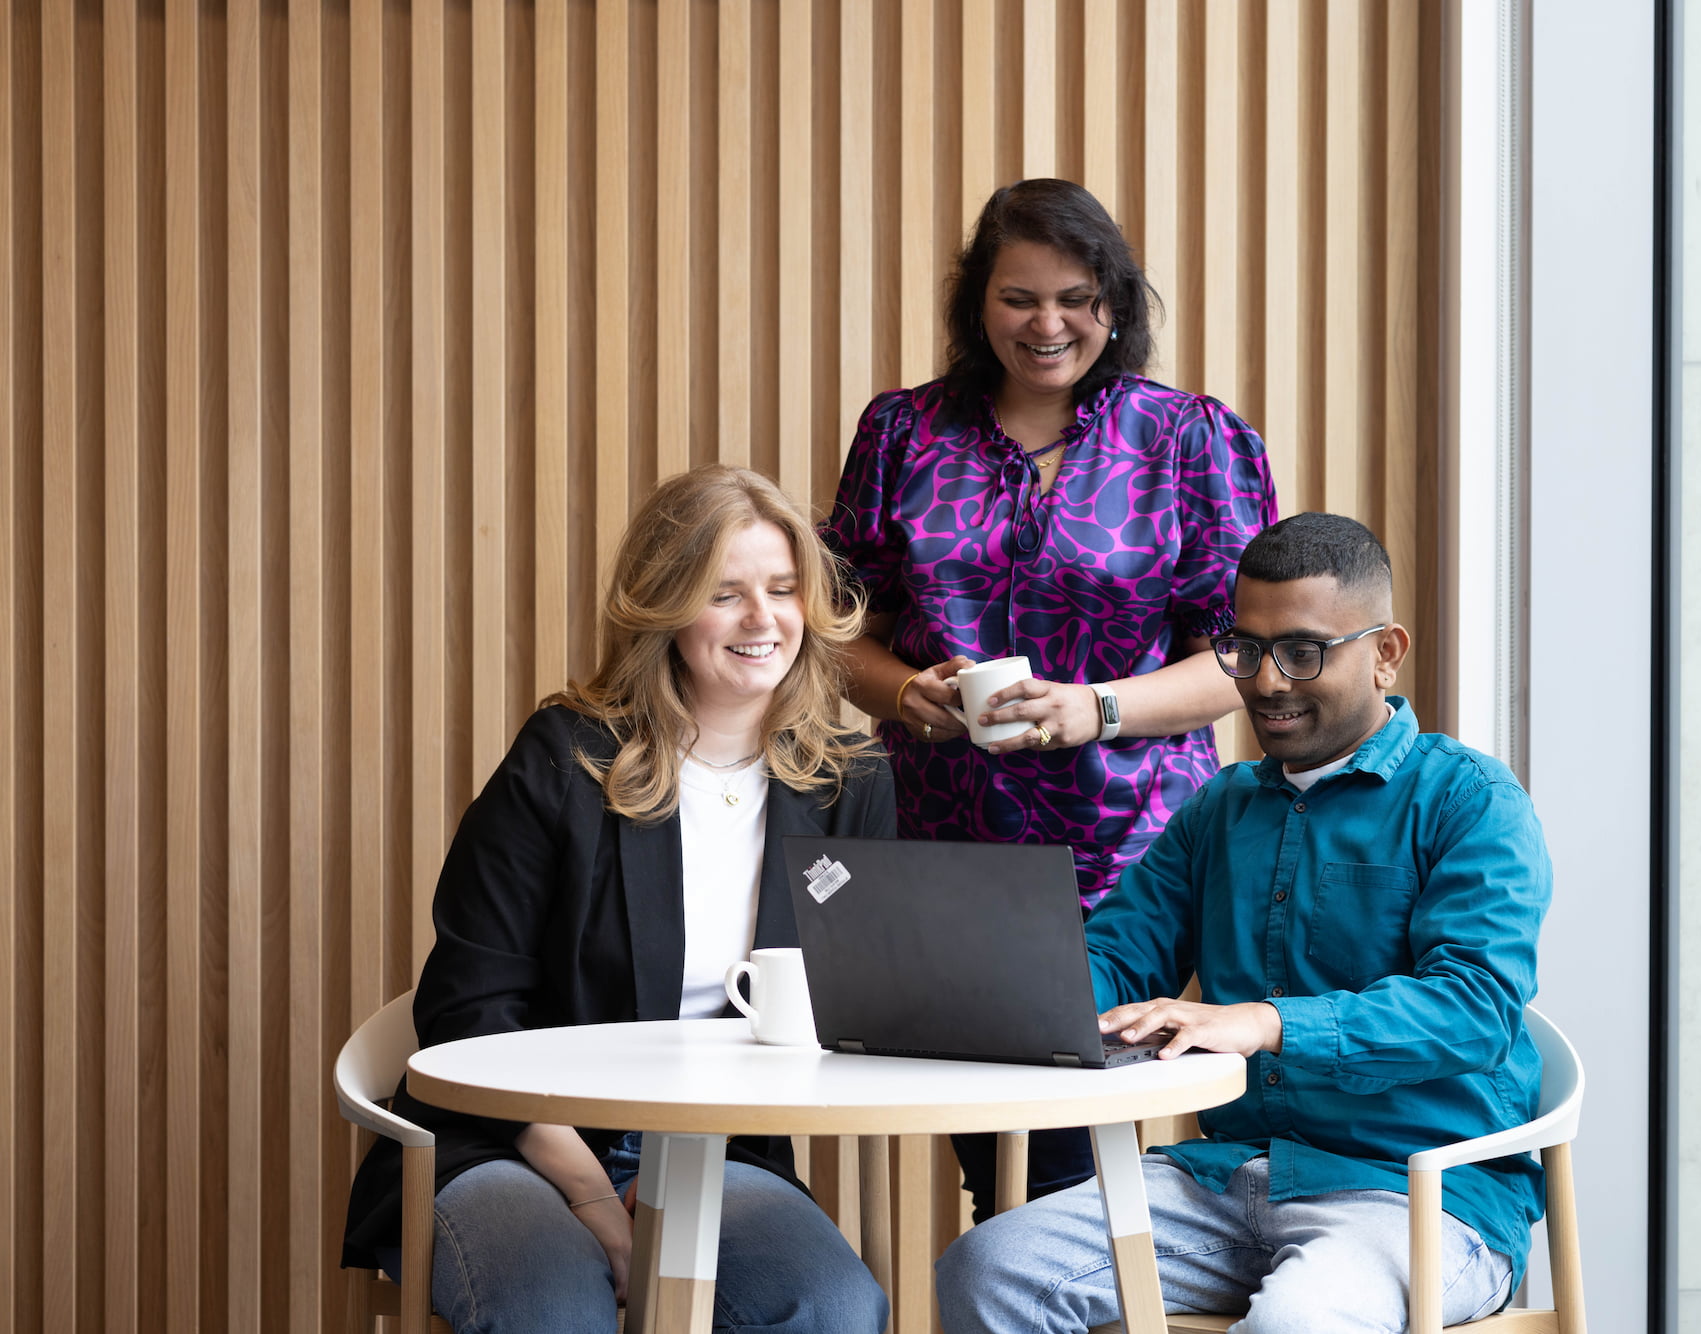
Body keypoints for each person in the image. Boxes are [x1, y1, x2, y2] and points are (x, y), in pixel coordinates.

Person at [934, 512, 1552, 1334]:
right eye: (1247, 650)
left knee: (1296, 1322)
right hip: (1224, 1179)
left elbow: (1473, 1009)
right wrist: (1002, 993)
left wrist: (1265, 1023)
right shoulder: (1220, 807)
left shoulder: (1470, 800)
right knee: (988, 1271)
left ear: (1386, 652)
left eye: (1303, 652)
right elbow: (1117, 955)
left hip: (1419, 1195)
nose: (1266, 682)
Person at [342, 465, 893, 1334]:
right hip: (509, 1137)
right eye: (725, 594)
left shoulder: (847, 780)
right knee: (556, 1306)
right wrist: (597, 1201)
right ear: (665, 608)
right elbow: (467, 1011)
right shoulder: (564, 758)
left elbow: (858, 1006)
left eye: (784, 589)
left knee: (833, 1307)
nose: (763, 619)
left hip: (717, 1154)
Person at [821, 177, 1278, 1219]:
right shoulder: (901, 431)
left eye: (1076, 298)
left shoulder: (1188, 437)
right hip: (947, 839)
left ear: (1115, 302)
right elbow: (833, 631)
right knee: (1002, 1152)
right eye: (1019, 298)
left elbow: (1241, 656)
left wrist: (1097, 709)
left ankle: (1057, 1274)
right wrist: (905, 692)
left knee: (1069, 1146)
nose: (1048, 324)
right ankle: (1037, 1273)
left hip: (1132, 850)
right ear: (976, 303)